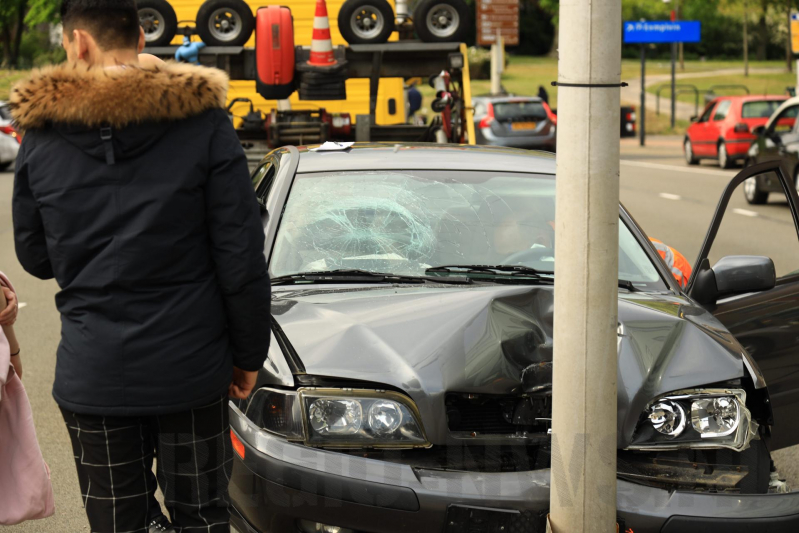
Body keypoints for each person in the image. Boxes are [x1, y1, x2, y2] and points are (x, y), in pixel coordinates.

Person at [9, 1, 271, 532]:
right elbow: (240, 252)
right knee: (201, 515)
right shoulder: (203, 122)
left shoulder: (42, 135)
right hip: (194, 367)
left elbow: (35, 256)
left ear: (78, 43)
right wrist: (248, 353)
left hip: (95, 371)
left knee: (117, 522)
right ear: (142, 40)